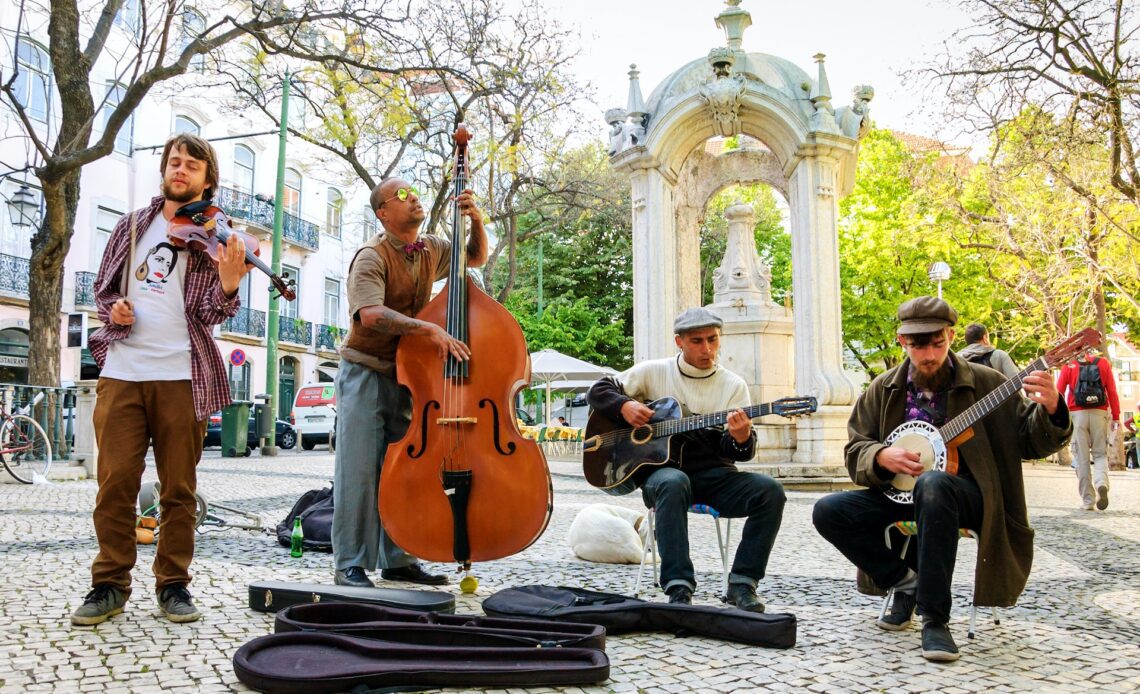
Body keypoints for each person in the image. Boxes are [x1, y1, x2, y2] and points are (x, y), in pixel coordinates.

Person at [812, 296, 1071, 662]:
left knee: (933, 486)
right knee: (828, 510)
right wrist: (880, 456)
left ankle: (935, 619)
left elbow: (1031, 441)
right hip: (900, 494)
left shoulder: (986, 383)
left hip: (970, 494)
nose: (929, 354)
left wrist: (1052, 407)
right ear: (902, 341)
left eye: (937, 342)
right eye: (918, 345)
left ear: (950, 336)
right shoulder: (884, 388)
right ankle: (905, 581)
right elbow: (856, 448)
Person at [71, 133, 250, 626]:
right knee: (115, 484)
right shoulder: (132, 227)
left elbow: (212, 312)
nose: (181, 169)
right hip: (123, 370)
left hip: (182, 373)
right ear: (164, 170)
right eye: (174, 161)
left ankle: (173, 586)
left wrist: (230, 284)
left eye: (192, 165)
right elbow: (104, 290)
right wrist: (117, 309)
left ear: (207, 179)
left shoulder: (218, 235)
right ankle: (109, 584)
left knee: (179, 490)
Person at [332, 177, 487, 588]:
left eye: (413, 191)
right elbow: (370, 315)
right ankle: (349, 562)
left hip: (407, 376)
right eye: (400, 195)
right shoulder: (371, 256)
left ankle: (398, 559)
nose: (412, 197)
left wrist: (475, 220)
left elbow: (473, 258)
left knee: (404, 470)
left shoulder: (431, 247)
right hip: (365, 369)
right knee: (360, 472)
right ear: (383, 213)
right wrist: (428, 330)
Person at [586, 307, 786, 611]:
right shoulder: (653, 371)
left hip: (715, 476)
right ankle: (679, 586)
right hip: (662, 476)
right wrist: (624, 405)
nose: (707, 349)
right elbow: (598, 389)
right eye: (697, 341)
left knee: (770, 491)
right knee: (673, 481)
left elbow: (738, 454)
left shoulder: (733, 386)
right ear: (679, 342)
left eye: (713, 340)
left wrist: (742, 438)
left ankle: (743, 583)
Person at [1055, 348, 1121, 510]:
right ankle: (1101, 484)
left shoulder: (1069, 366)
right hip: (1099, 412)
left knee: (1082, 458)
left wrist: (1058, 417)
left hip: (1077, 415)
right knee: (1100, 454)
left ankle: (1088, 500)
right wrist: (1117, 416)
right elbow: (1111, 390)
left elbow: (1059, 392)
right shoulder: (1103, 364)